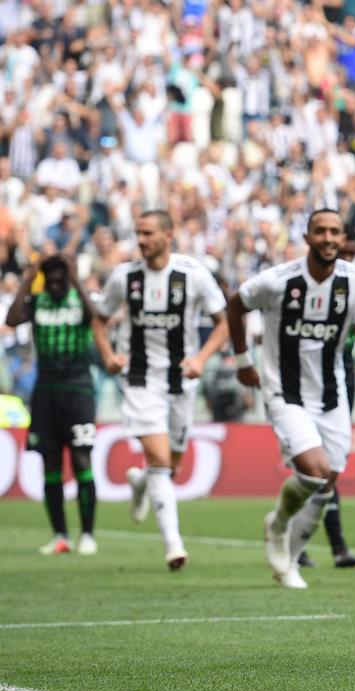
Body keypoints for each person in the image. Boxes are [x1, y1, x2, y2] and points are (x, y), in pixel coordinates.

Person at [226, 209, 355, 589]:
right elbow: (234, 305)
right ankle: (279, 524)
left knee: (328, 480)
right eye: (321, 231)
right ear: (307, 238)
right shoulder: (278, 280)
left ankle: (288, 560)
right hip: (285, 392)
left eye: (335, 231)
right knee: (314, 470)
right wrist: (241, 361)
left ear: (342, 238)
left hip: (332, 395)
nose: (328, 238)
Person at [93, 211, 229, 571]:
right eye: (138, 232)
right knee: (159, 460)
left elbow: (224, 322)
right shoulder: (125, 277)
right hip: (139, 379)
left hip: (181, 379)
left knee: (172, 465)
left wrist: (201, 357)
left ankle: (139, 484)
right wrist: (108, 355)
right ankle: (174, 544)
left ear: (168, 235)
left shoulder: (194, 276)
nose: (141, 239)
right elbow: (99, 317)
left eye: (148, 233)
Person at [6, 254, 100, 555]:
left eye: (62, 278)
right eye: (53, 278)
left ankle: (87, 534)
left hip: (79, 388)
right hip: (46, 391)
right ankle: (61, 534)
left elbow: (95, 315)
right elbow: (11, 319)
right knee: (50, 462)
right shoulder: (37, 302)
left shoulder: (78, 299)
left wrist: (75, 278)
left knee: (82, 459)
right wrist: (31, 276)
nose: (57, 284)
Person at [298, 238, 355, 569]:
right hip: (306, 381)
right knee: (312, 467)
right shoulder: (306, 285)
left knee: (329, 467)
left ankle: (319, 542)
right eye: (344, 254)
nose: (346, 260)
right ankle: (331, 543)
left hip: (343, 378)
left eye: (351, 254)